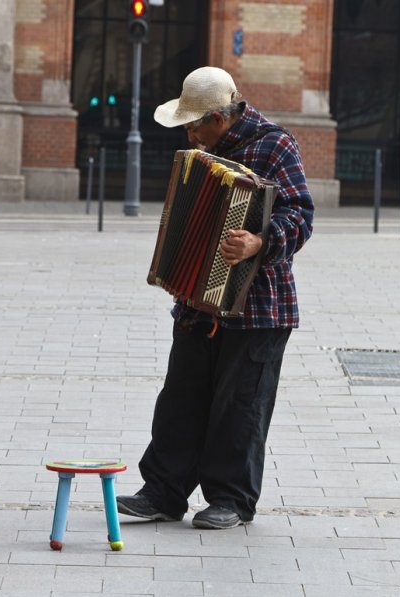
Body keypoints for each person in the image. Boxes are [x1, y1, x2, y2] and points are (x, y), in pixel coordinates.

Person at [116, 67, 315, 529]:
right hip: (197, 303)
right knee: (180, 398)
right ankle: (163, 493)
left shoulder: (275, 145)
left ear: (221, 118)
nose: (190, 132)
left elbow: (301, 215)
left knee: (240, 405)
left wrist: (259, 242)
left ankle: (231, 499)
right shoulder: (201, 156)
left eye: (195, 124)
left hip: (260, 306)